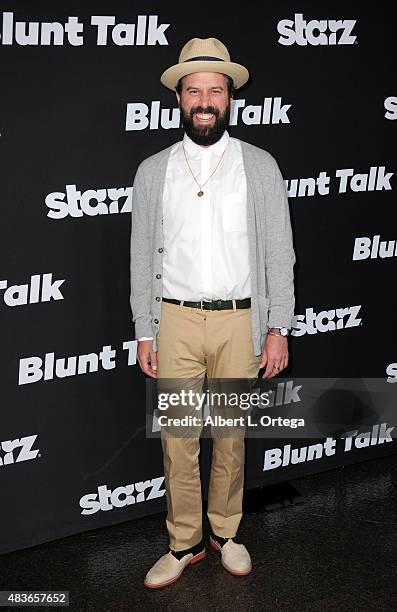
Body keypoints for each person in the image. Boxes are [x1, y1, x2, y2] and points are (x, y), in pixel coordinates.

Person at [129, 37, 296, 588]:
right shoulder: (153, 171)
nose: (205, 100)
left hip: (237, 322)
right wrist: (144, 329)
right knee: (177, 437)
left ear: (231, 99)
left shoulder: (260, 166)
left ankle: (225, 533)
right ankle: (184, 542)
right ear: (179, 98)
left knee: (229, 434)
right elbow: (139, 254)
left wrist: (278, 327)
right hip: (173, 320)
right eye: (194, 90)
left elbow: (279, 252)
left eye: (215, 91)